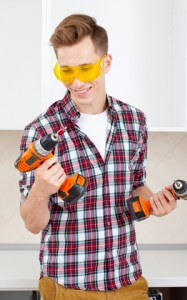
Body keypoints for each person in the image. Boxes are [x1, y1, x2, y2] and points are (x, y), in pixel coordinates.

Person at [18, 14, 177, 300]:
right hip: (69, 288)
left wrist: (152, 203)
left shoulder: (134, 121)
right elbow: (32, 224)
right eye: (66, 72)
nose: (77, 82)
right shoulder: (41, 131)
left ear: (106, 63)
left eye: (86, 69)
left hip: (128, 282)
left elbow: (136, 186)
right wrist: (41, 192)